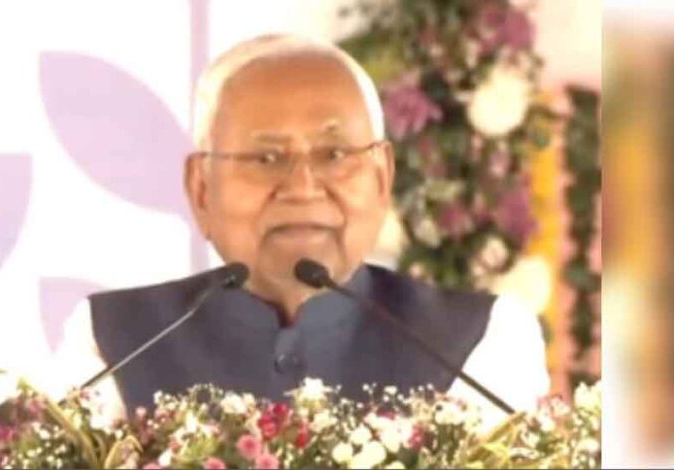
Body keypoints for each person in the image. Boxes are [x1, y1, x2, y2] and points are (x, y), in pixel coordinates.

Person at [45, 34, 549, 428]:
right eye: (266, 158)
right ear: (201, 189)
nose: (303, 187)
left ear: (381, 179)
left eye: (335, 154)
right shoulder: (111, 340)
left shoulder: (479, 341)